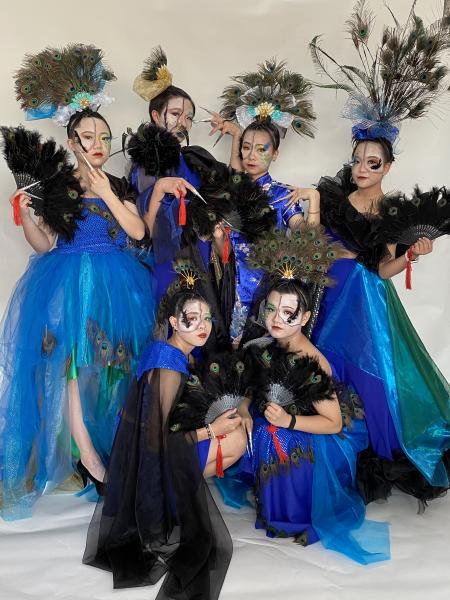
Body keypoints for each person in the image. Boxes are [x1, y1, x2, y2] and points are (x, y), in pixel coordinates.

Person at [0, 44, 155, 520]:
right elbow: (44, 244)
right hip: (66, 283)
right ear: (71, 142)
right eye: (88, 136)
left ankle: (106, 450)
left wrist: (107, 191)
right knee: (66, 365)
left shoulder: (118, 184)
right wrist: (28, 215)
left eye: (104, 136)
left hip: (116, 285)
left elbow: (138, 233)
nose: (98, 143)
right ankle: (86, 455)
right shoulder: (58, 187)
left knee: (110, 370)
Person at [310, 4, 450, 505]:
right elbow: (312, 247)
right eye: (358, 161)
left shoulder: (392, 214)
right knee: (326, 368)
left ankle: (376, 450)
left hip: (367, 300)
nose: (363, 168)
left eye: (373, 162)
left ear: (388, 167)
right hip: (329, 294)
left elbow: (385, 269)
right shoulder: (330, 199)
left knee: (371, 377)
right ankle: (332, 445)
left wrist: (413, 255)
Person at [83, 284, 247, 599]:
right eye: (192, 318)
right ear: (173, 321)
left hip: (145, 451)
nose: (202, 326)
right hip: (150, 461)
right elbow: (157, 441)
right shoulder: (168, 368)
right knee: (236, 439)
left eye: (207, 318)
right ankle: (170, 501)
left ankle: (172, 495)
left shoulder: (172, 350)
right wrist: (212, 430)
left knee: (234, 432)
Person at [238, 227, 390, 564]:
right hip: (286, 419)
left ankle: (293, 509)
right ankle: (275, 496)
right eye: (271, 309)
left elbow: (333, 423)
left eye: (288, 313)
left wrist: (289, 420)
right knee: (259, 427)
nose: (276, 319)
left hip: (316, 432)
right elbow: (255, 383)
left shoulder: (310, 361)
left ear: (305, 317)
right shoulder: (270, 344)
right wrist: (246, 407)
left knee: (274, 433)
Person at [208, 59, 322, 342]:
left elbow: (309, 244)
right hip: (230, 287)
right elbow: (224, 251)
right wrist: (219, 239)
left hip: (269, 290)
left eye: (261, 149)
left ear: (275, 154)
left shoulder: (282, 195)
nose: (251, 156)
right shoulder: (232, 193)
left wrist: (315, 200)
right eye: (246, 148)